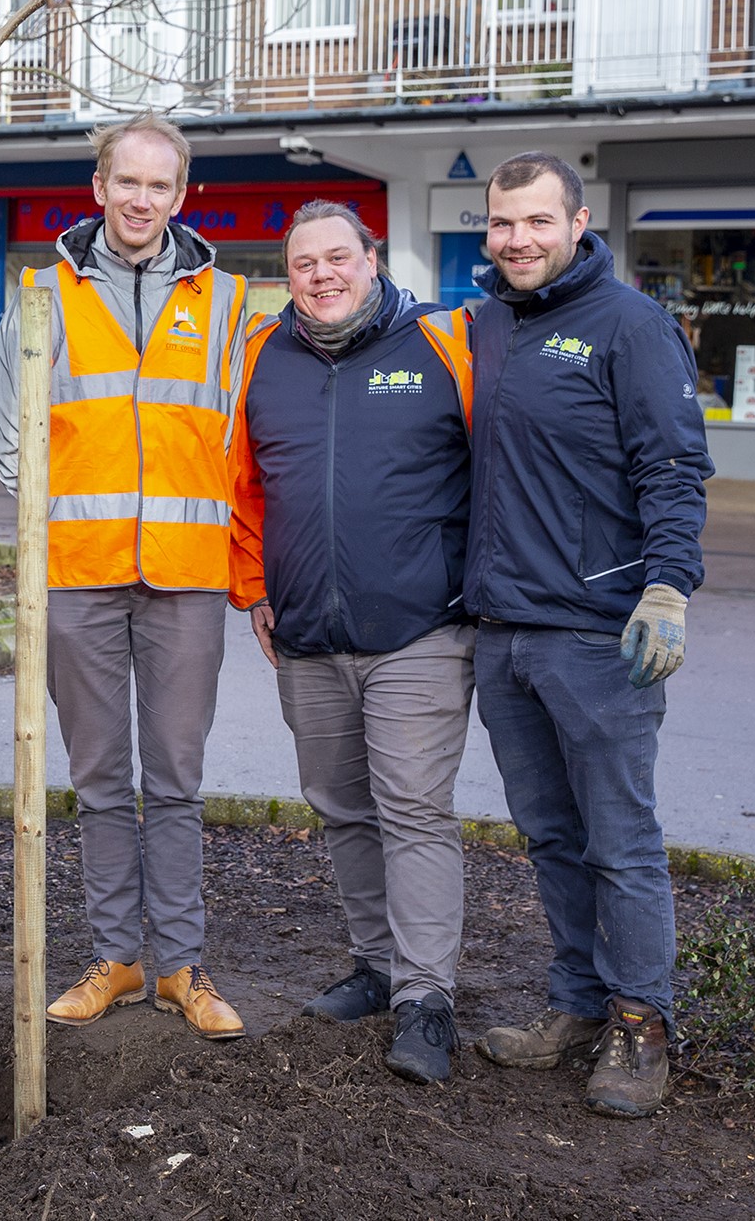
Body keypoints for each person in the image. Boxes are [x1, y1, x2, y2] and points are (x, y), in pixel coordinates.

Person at [0, 115, 250, 1041]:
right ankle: (118, 960)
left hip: (185, 579)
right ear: (97, 186)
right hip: (81, 574)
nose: (142, 200)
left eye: (160, 186)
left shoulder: (227, 303)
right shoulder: (41, 294)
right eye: (126, 182)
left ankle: (179, 966)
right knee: (100, 778)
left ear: (183, 196)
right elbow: (12, 433)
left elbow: (240, 440)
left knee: (174, 779)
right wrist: (52, 526)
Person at [465, 151, 711, 1118]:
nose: (517, 240)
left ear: (576, 224)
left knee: (621, 842)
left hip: (599, 639)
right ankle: (575, 1005)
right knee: (551, 839)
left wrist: (667, 588)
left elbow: (674, 469)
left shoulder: (632, 326)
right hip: (506, 634)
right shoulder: (486, 326)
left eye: (535, 222)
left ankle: (642, 1025)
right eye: (501, 224)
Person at [229, 201, 475, 1084]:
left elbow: (500, 474)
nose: (322, 275)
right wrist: (254, 588)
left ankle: (426, 997)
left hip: (419, 630)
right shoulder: (263, 356)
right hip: (305, 635)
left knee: (411, 808)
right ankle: (377, 967)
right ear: (286, 274)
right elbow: (246, 488)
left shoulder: (443, 349)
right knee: (342, 808)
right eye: (304, 264)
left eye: (340, 257)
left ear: (374, 259)